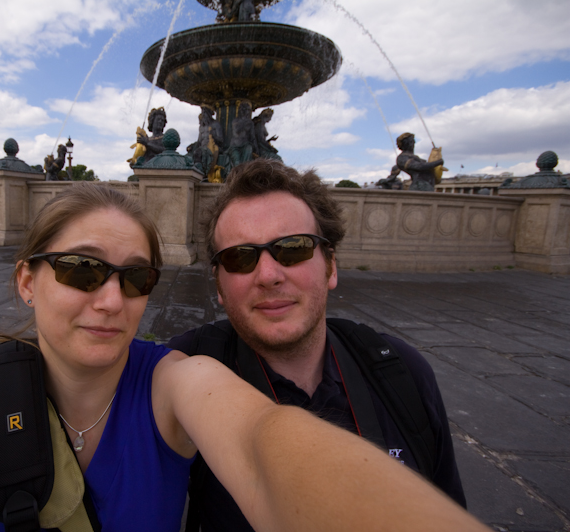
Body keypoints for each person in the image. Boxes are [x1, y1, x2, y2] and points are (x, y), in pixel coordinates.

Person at [0, 184, 484, 532]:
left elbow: (264, 445)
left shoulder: (178, 381)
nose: (110, 299)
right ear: (27, 280)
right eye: (82, 269)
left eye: (136, 277)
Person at [167, 158, 467, 532]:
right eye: (239, 257)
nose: (268, 276)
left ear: (331, 267)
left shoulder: (402, 372)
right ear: (219, 286)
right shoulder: (185, 361)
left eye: (293, 248)